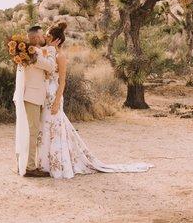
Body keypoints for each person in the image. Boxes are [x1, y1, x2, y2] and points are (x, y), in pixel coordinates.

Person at [37, 22, 153, 179]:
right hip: (45, 95)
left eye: (48, 35)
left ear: (57, 40)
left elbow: (62, 81)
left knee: (55, 129)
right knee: (45, 128)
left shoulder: (60, 57)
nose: (45, 37)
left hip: (54, 95)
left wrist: (57, 101)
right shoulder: (47, 54)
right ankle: (45, 164)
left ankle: (58, 165)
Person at [13, 25, 58, 177]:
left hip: (30, 96)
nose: (43, 38)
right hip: (32, 97)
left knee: (28, 130)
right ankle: (30, 167)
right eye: (41, 36)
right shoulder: (34, 54)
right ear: (36, 38)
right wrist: (52, 49)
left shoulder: (29, 53)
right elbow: (51, 66)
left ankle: (24, 163)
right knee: (32, 131)